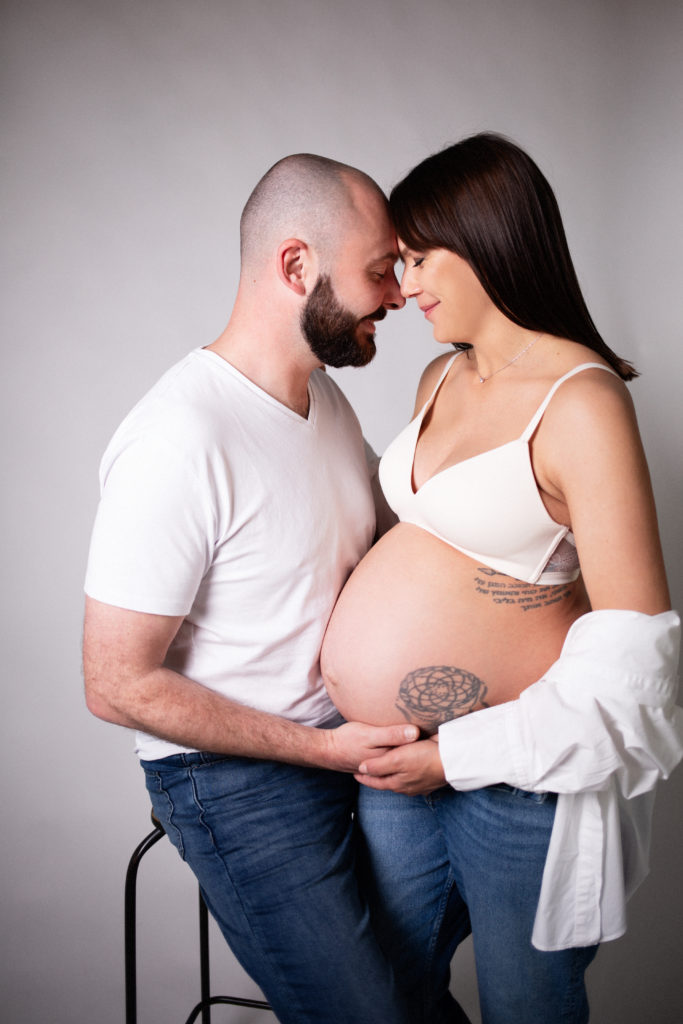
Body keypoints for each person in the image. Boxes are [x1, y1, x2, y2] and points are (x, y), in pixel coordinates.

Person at [321, 133, 683, 1024]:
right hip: (396, 758)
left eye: (419, 257)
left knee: (525, 1008)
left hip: (517, 777)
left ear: (485, 239)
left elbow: (638, 662)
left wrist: (456, 757)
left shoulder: (582, 402)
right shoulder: (437, 377)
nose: (402, 285)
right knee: (389, 994)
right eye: (398, 260)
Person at [82, 153, 418, 1024]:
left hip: (348, 745)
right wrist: (325, 752)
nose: (398, 294)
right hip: (234, 779)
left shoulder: (324, 403)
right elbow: (115, 684)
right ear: (297, 265)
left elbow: (394, 545)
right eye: (380, 269)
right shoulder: (177, 439)